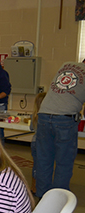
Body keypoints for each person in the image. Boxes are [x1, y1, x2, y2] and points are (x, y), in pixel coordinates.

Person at [35, 60, 85, 197]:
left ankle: (42, 198)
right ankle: (57, 202)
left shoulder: (66, 65)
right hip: (65, 119)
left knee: (43, 161)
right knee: (64, 163)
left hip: (44, 115)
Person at [29, 92, 46, 194]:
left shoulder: (34, 116)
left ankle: (33, 186)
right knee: (43, 166)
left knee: (36, 165)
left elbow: (31, 128)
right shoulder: (47, 117)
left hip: (35, 142)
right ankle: (38, 187)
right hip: (43, 144)